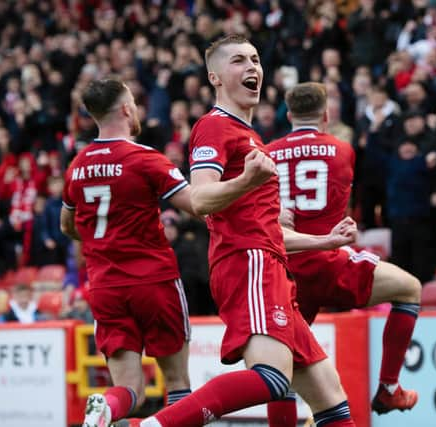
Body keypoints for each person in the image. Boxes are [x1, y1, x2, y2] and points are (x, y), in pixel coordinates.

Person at [140, 35, 359, 427]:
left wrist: (325, 241)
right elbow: (201, 198)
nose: (252, 68)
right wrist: (247, 179)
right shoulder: (214, 127)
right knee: (273, 379)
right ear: (215, 77)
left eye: (255, 59)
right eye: (239, 61)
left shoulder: (251, 136)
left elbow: (268, 230)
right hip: (248, 263)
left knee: (332, 399)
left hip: (268, 262)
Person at [266, 82, 421, 424]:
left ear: (289, 115)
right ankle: (389, 387)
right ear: (326, 114)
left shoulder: (267, 152)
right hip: (329, 258)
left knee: (281, 365)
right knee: (409, 289)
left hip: (285, 269)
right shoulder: (341, 148)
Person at [60, 78, 195, 427]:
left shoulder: (77, 166)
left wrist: (98, 240)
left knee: (128, 389)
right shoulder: (144, 158)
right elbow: (196, 204)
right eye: (133, 101)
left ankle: (105, 408)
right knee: (178, 383)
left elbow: (66, 225)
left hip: (105, 286)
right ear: (125, 109)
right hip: (153, 280)